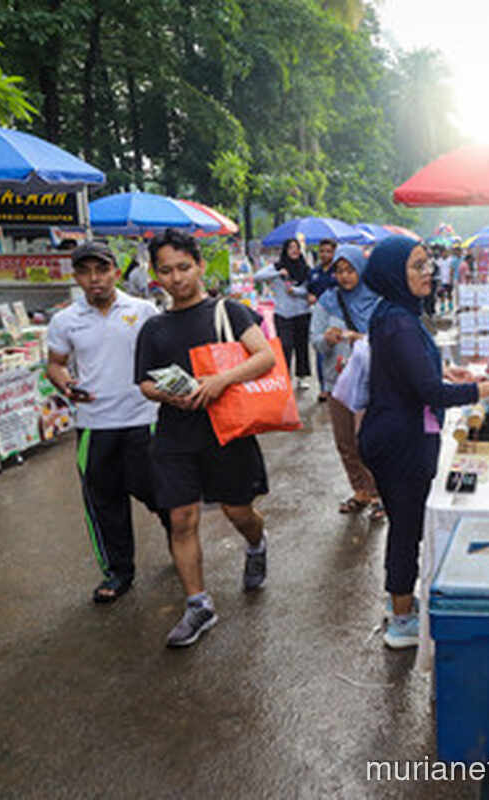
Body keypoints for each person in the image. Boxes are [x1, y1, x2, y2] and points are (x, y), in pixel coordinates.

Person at [358, 236, 489, 649]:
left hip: (396, 431)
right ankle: (401, 619)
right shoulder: (399, 321)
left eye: (427, 265)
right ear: (393, 273)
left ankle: (400, 602)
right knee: (406, 528)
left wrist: (447, 371)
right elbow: (429, 394)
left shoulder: (396, 313)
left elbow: (411, 372)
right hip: (400, 440)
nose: (427, 273)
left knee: (405, 524)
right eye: (416, 266)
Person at [134, 228, 275, 648]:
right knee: (181, 518)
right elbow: (143, 383)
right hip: (175, 434)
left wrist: (219, 381)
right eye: (165, 271)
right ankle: (198, 604)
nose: (176, 278)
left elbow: (265, 356)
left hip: (226, 429)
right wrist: (170, 396)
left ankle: (256, 543)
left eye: (183, 267)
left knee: (238, 511)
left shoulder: (228, 312)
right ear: (154, 275)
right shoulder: (154, 328)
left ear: (198, 265)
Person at [45, 241, 170, 603]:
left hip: (143, 419)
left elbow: (163, 356)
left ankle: (179, 542)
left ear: (116, 271)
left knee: (161, 494)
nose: (94, 279)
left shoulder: (144, 310)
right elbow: (55, 363)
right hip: (94, 426)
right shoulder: (65, 320)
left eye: (101, 270)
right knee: (104, 502)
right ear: (76, 277)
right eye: (85, 272)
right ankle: (118, 572)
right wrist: (65, 383)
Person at [310, 244, 384, 521]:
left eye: (350, 270)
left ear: (361, 270)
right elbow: (315, 341)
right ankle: (360, 491)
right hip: (337, 382)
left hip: (371, 381)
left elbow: (386, 337)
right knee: (345, 440)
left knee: (369, 440)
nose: (344, 276)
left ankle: (379, 494)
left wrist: (358, 337)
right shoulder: (327, 301)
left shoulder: (377, 301)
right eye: (339, 271)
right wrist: (326, 339)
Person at [254, 238, 312, 390]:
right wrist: (278, 273)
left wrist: (296, 291)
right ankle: (285, 376)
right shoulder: (277, 267)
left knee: (302, 346)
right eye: (291, 247)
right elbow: (257, 277)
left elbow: (309, 290)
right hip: (283, 314)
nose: (294, 250)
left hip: (302, 313)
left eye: (297, 247)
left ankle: (301, 377)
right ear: (285, 250)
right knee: (285, 345)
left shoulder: (305, 269)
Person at [307, 238, 339, 400]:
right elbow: (308, 290)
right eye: (322, 251)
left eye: (329, 251)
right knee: (320, 349)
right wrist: (309, 296)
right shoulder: (314, 272)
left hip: (337, 316)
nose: (325, 254)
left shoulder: (339, 271)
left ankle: (338, 385)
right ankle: (324, 387)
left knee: (337, 351)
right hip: (319, 316)